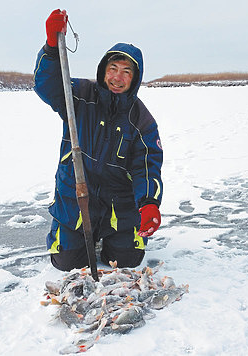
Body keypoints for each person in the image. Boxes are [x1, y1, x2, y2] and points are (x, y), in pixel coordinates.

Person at [34, 9, 163, 271]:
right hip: (76, 197)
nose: (118, 77)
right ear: (104, 70)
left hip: (119, 207)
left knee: (126, 262)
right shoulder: (79, 95)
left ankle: (114, 238)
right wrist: (50, 48)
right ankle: (75, 234)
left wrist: (149, 203)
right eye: (113, 68)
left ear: (135, 78)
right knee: (66, 263)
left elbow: (147, 166)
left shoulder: (141, 120)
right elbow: (46, 85)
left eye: (126, 71)